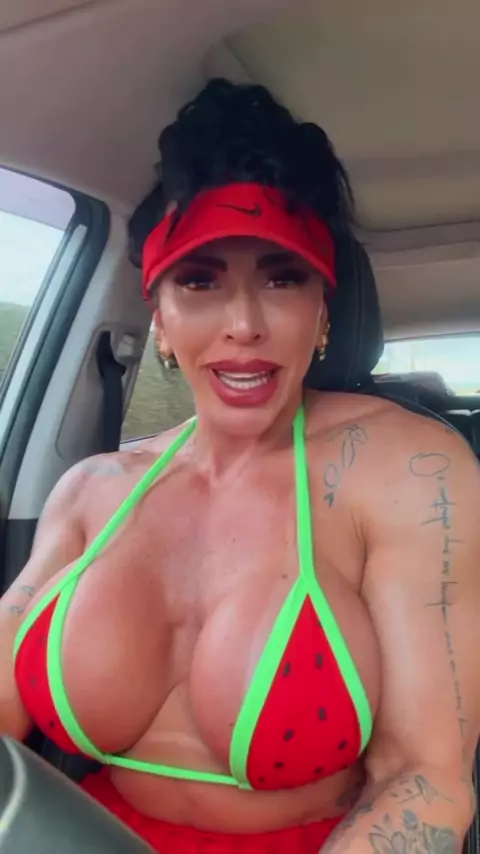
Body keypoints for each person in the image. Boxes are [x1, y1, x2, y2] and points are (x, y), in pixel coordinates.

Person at [1, 79, 479, 854]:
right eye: (200, 281)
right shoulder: (91, 489)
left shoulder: (408, 471)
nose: (245, 324)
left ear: (323, 312)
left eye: (283, 278)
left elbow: (426, 778)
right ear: (159, 319)